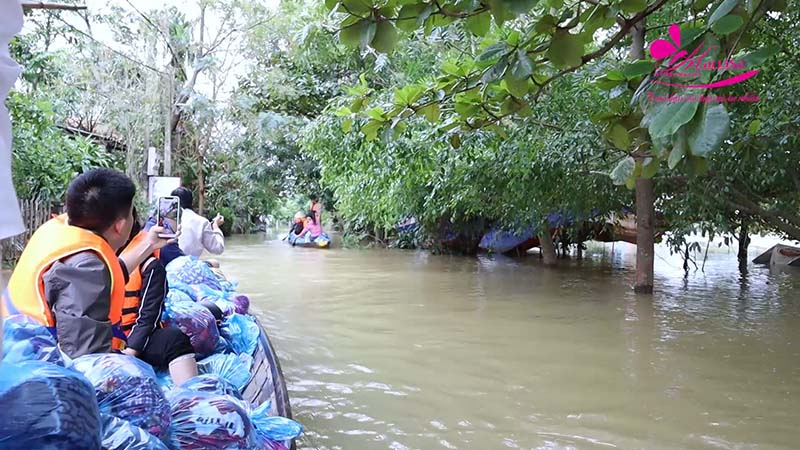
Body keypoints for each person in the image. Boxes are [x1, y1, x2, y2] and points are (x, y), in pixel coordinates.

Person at [1, 168, 174, 358]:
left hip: (16, 349)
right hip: (40, 371)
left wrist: (149, 244)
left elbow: (112, 272)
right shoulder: (87, 268)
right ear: (120, 226)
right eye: (131, 214)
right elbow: (87, 359)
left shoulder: (60, 231)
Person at [118, 209, 198, 385]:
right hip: (101, 344)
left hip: (132, 342)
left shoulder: (150, 265)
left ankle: (190, 397)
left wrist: (129, 354)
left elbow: (147, 318)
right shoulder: (93, 258)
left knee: (174, 338)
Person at [171, 186, 225, 257]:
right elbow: (218, 249)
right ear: (191, 202)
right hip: (189, 264)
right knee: (214, 263)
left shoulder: (164, 219)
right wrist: (215, 227)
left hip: (166, 263)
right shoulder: (202, 222)